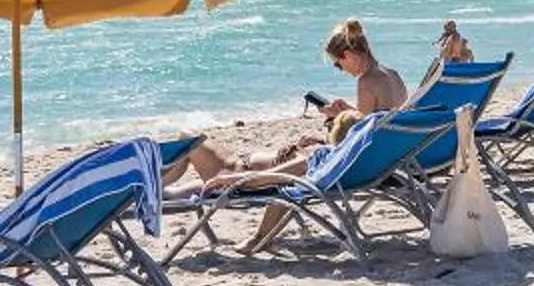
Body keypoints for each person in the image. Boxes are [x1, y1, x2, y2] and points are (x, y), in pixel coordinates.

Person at [168, 19, 409, 191]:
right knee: (185, 186)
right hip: (378, 164)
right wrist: (339, 118)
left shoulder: (366, 81)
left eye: (338, 64)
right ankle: (159, 193)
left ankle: (144, 191)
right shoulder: (393, 75)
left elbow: (353, 142)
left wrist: (333, 122)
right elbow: (367, 131)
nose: (341, 69)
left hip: (244, 171)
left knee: (188, 138)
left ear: (348, 55)